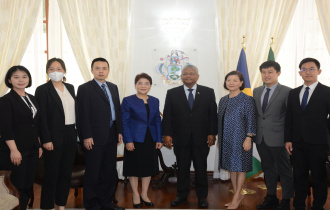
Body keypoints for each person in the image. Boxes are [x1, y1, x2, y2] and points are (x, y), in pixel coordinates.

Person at [162, 64, 217, 208]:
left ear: (197, 76)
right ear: (181, 77)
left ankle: (202, 198)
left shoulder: (208, 92)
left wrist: (212, 133)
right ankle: (181, 196)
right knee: (182, 169)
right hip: (181, 138)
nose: (188, 76)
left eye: (191, 73)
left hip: (201, 138)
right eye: (185, 73)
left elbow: (212, 115)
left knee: (201, 169)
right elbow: (167, 115)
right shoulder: (172, 93)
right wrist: (167, 134)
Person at [77, 57, 124, 210]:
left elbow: (117, 111)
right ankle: (91, 205)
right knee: (94, 172)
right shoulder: (85, 88)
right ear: (92, 70)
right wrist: (86, 135)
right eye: (97, 68)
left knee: (109, 171)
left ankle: (106, 202)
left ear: (108, 71)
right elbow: (82, 114)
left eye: (104, 68)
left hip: (111, 135)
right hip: (93, 137)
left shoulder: (113, 87)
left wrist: (119, 131)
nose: (101, 71)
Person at [285, 58, 330, 210]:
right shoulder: (293, 93)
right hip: (297, 143)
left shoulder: (327, 92)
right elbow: (289, 118)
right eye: (304, 69)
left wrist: (325, 132)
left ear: (319, 71)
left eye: (312, 69)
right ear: (300, 73)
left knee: (319, 177)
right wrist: (288, 140)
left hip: (319, 143)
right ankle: (299, 205)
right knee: (299, 176)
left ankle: (318, 206)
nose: (308, 72)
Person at [35, 58, 78, 210]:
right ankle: (47, 207)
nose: (55, 72)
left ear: (64, 71)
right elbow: (42, 118)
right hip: (52, 137)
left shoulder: (71, 88)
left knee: (65, 174)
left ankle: (61, 205)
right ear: (47, 72)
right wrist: (45, 139)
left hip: (71, 135)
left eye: (58, 68)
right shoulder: (42, 90)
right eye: (51, 69)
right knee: (51, 175)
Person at [0, 65, 42, 210]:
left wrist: (38, 145)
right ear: (9, 80)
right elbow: (6, 128)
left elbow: (34, 125)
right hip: (16, 151)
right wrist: (14, 150)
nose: (21, 80)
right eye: (16, 77)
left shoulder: (32, 98)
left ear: (29, 79)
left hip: (32, 149)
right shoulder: (6, 100)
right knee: (16, 186)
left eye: (24, 77)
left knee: (27, 185)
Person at [253, 61, 293, 210]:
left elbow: (290, 118)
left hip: (279, 138)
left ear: (278, 73)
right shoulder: (256, 91)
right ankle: (271, 197)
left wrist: (289, 138)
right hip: (261, 138)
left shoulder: (287, 91)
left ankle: (286, 200)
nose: (266, 75)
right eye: (263, 72)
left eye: (270, 72)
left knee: (284, 170)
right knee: (268, 168)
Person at [121, 73, 163, 208]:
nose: (143, 86)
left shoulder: (155, 100)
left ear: (150, 85)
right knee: (133, 168)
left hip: (150, 139)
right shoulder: (128, 100)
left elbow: (157, 120)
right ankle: (135, 194)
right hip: (134, 139)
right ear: (135, 85)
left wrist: (158, 138)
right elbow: (124, 122)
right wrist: (128, 140)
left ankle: (144, 194)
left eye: (146, 83)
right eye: (140, 83)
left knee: (147, 168)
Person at [217, 70, 256, 210]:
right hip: (225, 139)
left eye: (235, 80)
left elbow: (251, 120)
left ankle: (236, 197)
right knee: (231, 168)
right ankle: (237, 195)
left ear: (241, 83)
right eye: (228, 80)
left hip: (240, 139)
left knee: (240, 167)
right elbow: (220, 121)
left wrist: (249, 138)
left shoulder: (247, 99)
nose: (231, 83)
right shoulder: (223, 100)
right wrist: (218, 139)